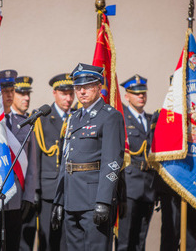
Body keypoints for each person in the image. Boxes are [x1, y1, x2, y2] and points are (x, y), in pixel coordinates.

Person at [52, 63, 125, 250]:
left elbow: (112, 162)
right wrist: (59, 200)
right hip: (71, 198)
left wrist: (103, 201)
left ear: (99, 87)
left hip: (93, 200)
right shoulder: (74, 118)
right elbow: (66, 161)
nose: (82, 91)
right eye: (78, 87)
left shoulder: (110, 116)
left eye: (87, 86)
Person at [150, 75, 196, 251]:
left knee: (191, 239)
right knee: (170, 238)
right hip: (171, 186)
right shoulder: (162, 115)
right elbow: (156, 152)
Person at [0, 69, 37, 251]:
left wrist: (29, 196)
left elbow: (32, 165)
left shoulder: (24, 123)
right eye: (5, 91)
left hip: (15, 198)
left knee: (12, 245)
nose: (10, 95)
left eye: (12, 90)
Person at [29, 73, 74, 251]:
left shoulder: (78, 117)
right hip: (49, 190)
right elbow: (36, 156)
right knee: (48, 239)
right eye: (64, 93)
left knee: (68, 240)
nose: (68, 98)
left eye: (71, 93)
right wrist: (36, 189)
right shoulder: (43, 118)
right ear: (54, 93)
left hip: (72, 189)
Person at [116, 74, 156, 251]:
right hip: (129, 186)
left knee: (141, 240)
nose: (141, 96)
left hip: (148, 186)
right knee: (124, 240)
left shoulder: (151, 120)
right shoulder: (121, 119)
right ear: (127, 96)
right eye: (136, 93)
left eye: (143, 93)